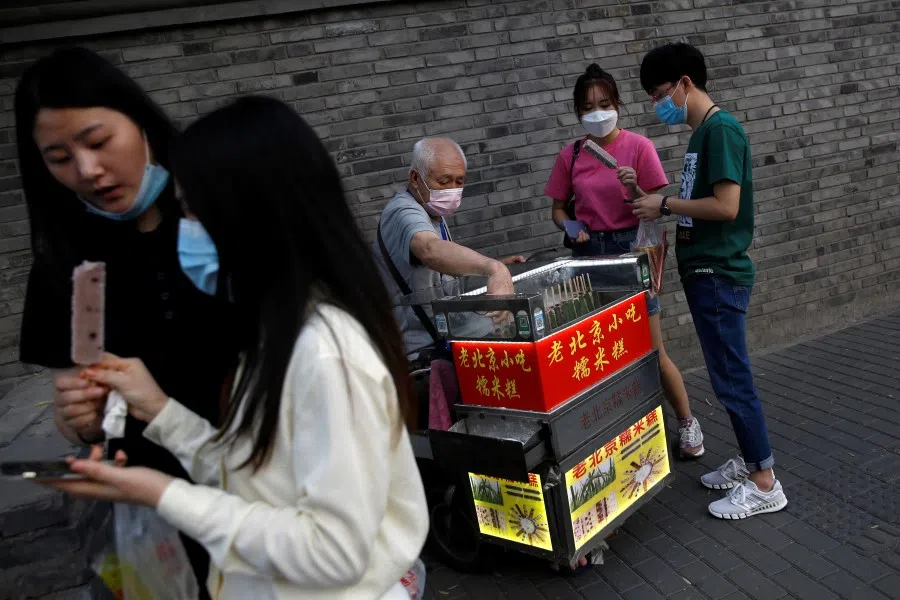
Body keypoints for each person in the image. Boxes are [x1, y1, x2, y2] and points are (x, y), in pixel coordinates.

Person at [48, 96, 429, 599]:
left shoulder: (324, 353)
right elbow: (254, 480)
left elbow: (333, 552)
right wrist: (159, 411)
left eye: (189, 210)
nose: (181, 230)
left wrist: (164, 493)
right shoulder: (277, 336)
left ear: (251, 213)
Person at [14, 47, 236, 595]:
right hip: (153, 497)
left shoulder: (218, 212)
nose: (87, 171)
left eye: (96, 141)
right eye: (58, 156)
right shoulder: (63, 258)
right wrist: (81, 419)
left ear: (137, 120)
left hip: (258, 471)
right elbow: (78, 404)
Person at [635, 43, 788, 518]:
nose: (657, 105)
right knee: (728, 376)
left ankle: (764, 482)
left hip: (718, 274)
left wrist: (664, 205)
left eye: (661, 93)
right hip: (706, 273)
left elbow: (726, 207)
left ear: (685, 84)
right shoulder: (703, 133)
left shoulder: (720, 130)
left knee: (732, 379)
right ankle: (748, 459)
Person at [544, 63, 704, 459]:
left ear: (617, 104)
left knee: (651, 347)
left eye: (604, 103)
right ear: (578, 112)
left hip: (632, 252)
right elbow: (558, 210)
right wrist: (570, 226)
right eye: (587, 107)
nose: (596, 113)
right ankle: (619, 431)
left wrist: (633, 185)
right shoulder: (572, 154)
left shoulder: (638, 147)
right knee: (600, 351)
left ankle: (686, 421)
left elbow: (655, 208)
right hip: (587, 256)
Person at [375, 137, 524, 359]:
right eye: (444, 182)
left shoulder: (432, 212)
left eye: (459, 181)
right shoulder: (403, 212)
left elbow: (445, 268)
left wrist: (492, 268)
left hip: (438, 343)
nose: (452, 190)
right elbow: (429, 249)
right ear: (415, 178)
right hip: (417, 355)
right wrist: (492, 269)